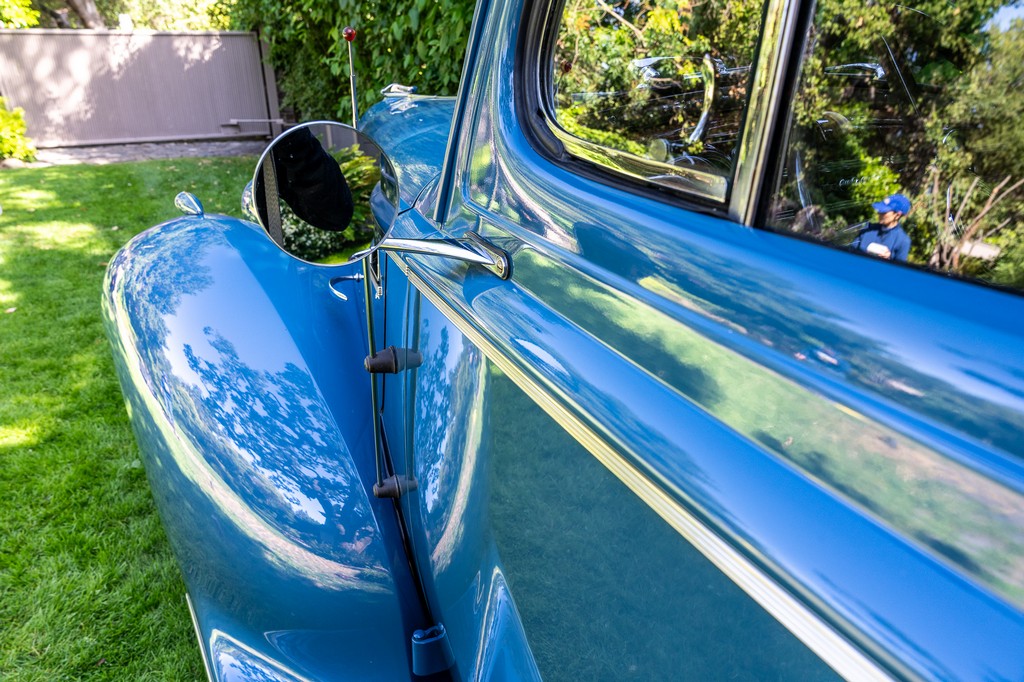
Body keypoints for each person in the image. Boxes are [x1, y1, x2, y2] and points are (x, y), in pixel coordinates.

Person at [851, 193, 912, 261]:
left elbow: (899, 270)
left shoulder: (903, 241)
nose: (879, 213)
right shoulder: (867, 229)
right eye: (880, 210)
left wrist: (888, 260)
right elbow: (850, 253)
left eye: (884, 212)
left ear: (897, 215)